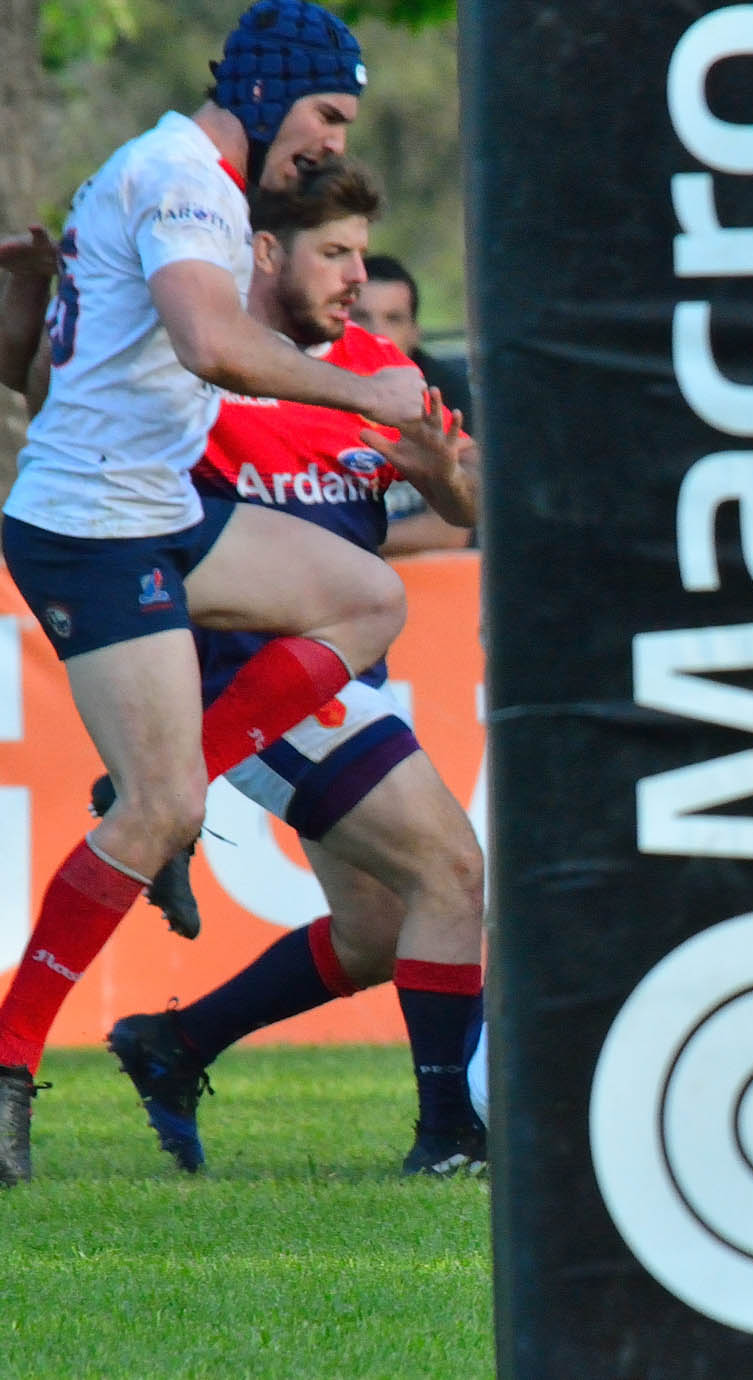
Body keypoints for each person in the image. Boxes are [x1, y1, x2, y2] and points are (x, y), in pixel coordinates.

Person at [0, 0, 429, 1188]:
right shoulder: (187, 180)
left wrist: (32, 295)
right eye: (326, 113)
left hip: (158, 506)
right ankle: (8, 1065)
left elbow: (34, 371)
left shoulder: (152, 173)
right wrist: (368, 397)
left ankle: (178, 774)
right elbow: (209, 345)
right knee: (154, 813)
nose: (333, 144)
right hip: (95, 523)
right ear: (266, 91)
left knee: (366, 598)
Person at [89, 159, 481, 1178]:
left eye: (361, 251)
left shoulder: (374, 371)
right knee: (453, 871)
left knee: (379, 932)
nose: (357, 275)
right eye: (335, 253)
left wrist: (438, 469)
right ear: (265, 253)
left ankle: (174, 1046)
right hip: (242, 673)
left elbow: (475, 505)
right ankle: (449, 1143)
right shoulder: (203, 366)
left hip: (336, 676)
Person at [351, 254, 477, 556]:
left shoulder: (446, 393)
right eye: (360, 317)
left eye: (393, 319)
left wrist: (337, 538)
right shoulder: (302, 388)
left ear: (415, 332)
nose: (377, 334)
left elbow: (451, 532)